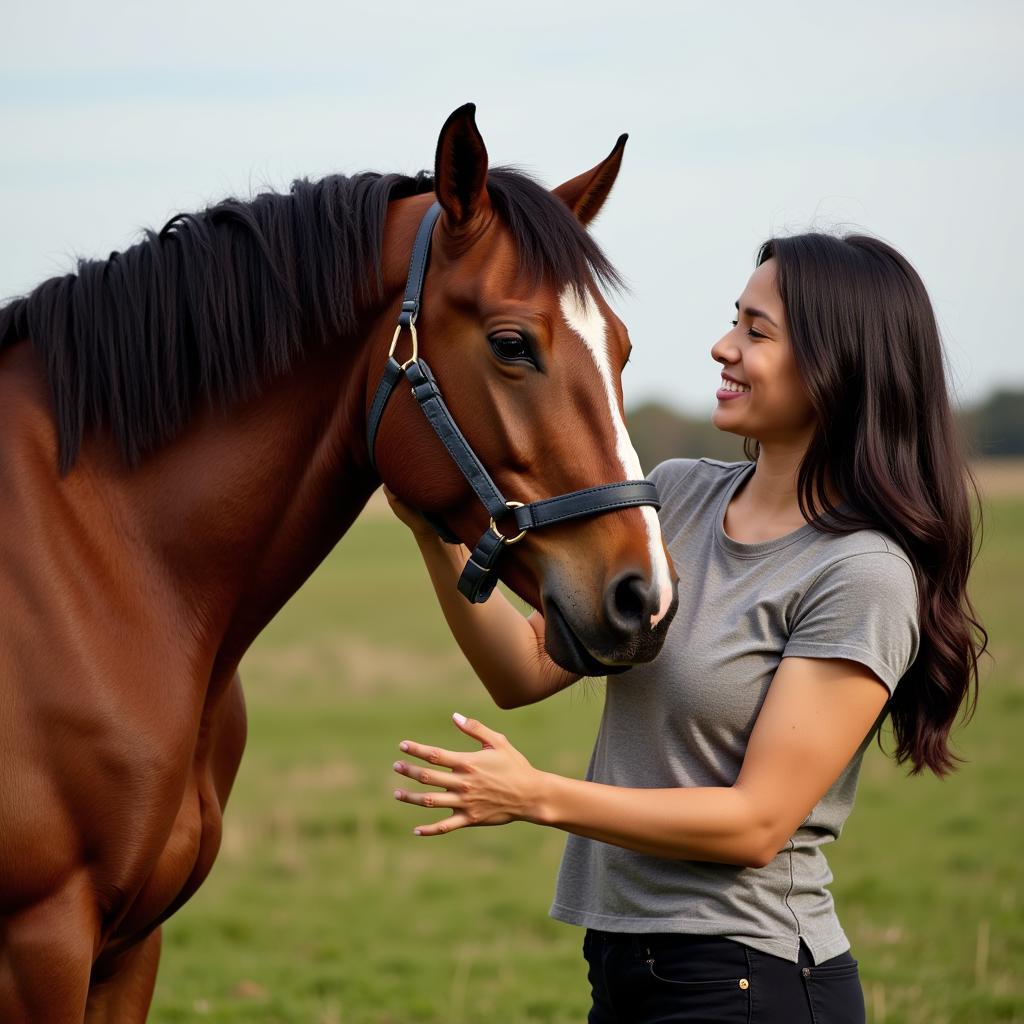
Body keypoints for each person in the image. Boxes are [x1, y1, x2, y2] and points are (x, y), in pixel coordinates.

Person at [385, 232, 987, 1023]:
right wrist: (437, 536)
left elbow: (755, 822)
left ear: (839, 365)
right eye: (732, 320)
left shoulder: (860, 573)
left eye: (756, 332)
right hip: (626, 965)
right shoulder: (678, 496)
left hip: (751, 978)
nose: (722, 347)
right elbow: (525, 670)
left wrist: (538, 796)